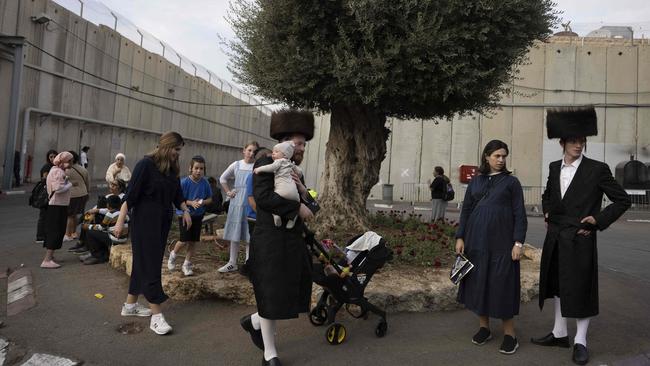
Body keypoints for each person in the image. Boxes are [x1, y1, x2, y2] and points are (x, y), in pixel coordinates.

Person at [531, 106, 631, 365]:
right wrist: (547, 212)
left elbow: (622, 200)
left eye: (582, 141)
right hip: (556, 235)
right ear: (562, 142)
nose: (579, 145)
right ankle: (559, 333)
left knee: (580, 288)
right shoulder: (554, 167)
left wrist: (598, 220)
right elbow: (548, 195)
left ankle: (580, 341)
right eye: (574, 141)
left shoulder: (597, 168)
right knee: (558, 286)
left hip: (580, 237)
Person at [241, 109, 315, 366]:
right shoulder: (264, 163)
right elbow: (263, 199)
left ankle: (253, 322)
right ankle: (269, 353)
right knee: (270, 293)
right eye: (298, 143)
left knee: (285, 293)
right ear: (284, 143)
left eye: (304, 144)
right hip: (270, 239)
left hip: (293, 241)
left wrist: (304, 192)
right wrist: (297, 208)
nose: (302, 147)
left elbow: (312, 207)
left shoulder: (297, 171)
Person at [114, 132, 193, 336]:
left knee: (146, 261)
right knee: (150, 264)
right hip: (145, 220)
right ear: (167, 147)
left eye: (179, 150)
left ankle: (130, 306)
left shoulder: (172, 169)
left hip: (162, 221)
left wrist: (185, 210)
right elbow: (130, 197)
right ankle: (157, 315)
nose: (178, 154)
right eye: (176, 149)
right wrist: (120, 222)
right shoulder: (145, 165)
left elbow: (178, 196)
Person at [454, 139, 527, 355]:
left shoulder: (512, 183)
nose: (501, 159)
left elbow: (519, 214)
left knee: (502, 284)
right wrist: (460, 237)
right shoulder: (476, 182)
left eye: (504, 156)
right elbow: (466, 210)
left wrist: (518, 242)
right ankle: (484, 328)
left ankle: (510, 335)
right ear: (487, 157)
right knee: (479, 282)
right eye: (497, 155)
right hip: (476, 241)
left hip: (503, 243)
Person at [217, 141, 259, 273]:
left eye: (254, 151)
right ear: (244, 150)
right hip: (236, 204)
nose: (251, 153)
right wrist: (228, 192)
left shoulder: (257, 167)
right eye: (249, 150)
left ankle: (249, 263)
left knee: (248, 233)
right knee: (235, 233)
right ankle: (232, 262)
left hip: (250, 202)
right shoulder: (236, 164)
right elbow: (223, 178)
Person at [168, 155, 213, 276]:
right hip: (184, 214)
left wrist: (202, 202)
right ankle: (173, 254)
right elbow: (179, 199)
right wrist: (190, 203)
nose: (199, 171)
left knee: (193, 241)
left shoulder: (205, 183)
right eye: (196, 168)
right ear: (190, 168)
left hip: (198, 215)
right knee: (184, 239)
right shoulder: (184, 182)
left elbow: (210, 199)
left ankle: (186, 264)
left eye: (201, 168)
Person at [253, 141, 302, 229]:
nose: (273, 154)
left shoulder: (279, 161)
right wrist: (299, 176)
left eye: (276, 152)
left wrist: (259, 169)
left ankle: (276, 215)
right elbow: (299, 172)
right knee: (297, 202)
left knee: (275, 200)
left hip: (282, 190)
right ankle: (292, 219)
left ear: (284, 154)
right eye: (273, 152)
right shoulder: (291, 164)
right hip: (294, 193)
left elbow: (271, 167)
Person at [41, 151, 74, 269]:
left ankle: (50, 257)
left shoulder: (57, 171)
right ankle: (47, 259)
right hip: (57, 205)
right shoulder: (58, 172)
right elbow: (59, 189)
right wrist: (69, 184)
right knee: (55, 230)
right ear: (63, 161)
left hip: (58, 204)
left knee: (56, 230)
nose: (71, 163)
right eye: (69, 161)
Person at [79, 194, 127, 265]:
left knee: (91, 232)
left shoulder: (110, 214)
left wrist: (88, 226)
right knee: (100, 233)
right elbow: (105, 211)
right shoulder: (123, 213)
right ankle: (103, 254)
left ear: (108, 205)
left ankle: (98, 256)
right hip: (123, 238)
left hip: (115, 239)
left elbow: (101, 227)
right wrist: (97, 210)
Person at [64, 151, 89, 241]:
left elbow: (62, 183)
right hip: (83, 194)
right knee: (75, 215)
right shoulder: (83, 170)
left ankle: (67, 234)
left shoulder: (66, 170)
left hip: (72, 195)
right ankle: (74, 232)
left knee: (70, 216)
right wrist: (87, 193)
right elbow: (87, 183)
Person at [35, 149, 58, 244]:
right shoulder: (47, 167)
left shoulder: (55, 167)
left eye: (54, 156)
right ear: (48, 158)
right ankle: (40, 236)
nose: (52, 158)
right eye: (50, 157)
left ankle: (46, 234)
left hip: (52, 194)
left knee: (49, 216)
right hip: (46, 194)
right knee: (43, 216)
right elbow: (45, 180)